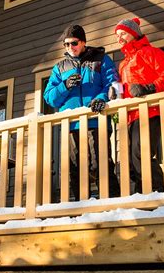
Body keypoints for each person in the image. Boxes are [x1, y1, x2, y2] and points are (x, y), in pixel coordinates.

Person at [44, 24, 120, 201]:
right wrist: (64, 86)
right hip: (71, 126)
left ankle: (113, 203)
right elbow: (50, 98)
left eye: (74, 43)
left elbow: (112, 83)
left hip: (97, 121)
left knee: (100, 163)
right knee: (75, 167)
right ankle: (80, 206)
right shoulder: (60, 68)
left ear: (83, 42)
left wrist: (101, 99)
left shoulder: (100, 59)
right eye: (66, 44)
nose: (70, 47)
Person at [114, 17, 164, 193]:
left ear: (134, 33)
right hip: (130, 116)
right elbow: (125, 89)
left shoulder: (150, 53)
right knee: (131, 161)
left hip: (150, 111)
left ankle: (159, 192)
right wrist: (116, 92)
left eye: (123, 34)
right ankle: (143, 197)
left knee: (141, 153)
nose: (120, 39)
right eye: (117, 36)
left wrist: (149, 87)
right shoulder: (123, 64)